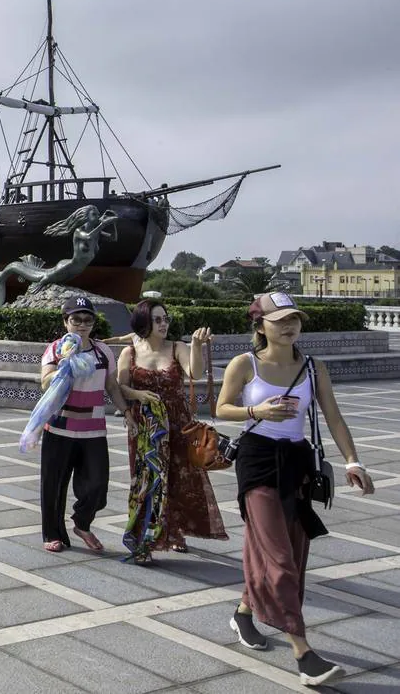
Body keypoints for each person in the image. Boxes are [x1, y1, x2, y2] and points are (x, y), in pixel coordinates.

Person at [215, 292, 375, 687]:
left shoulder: (313, 368)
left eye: (294, 319)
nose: (289, 326)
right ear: (259, 326)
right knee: (278, 559)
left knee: (288, 550)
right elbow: (220, 407)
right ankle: (303, 653)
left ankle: (244, 613)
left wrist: (353, 461)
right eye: (279, 320)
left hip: (298, 463)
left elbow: (334, 417)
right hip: (257, 462)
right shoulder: (245, 363)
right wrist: (257, 411)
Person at [117, 300, 225, 564]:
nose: (164, 324)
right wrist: (138, 395)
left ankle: (174, 533)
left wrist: (197, 345)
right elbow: (120, 387)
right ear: (144, 322)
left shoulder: (178, 347)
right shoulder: (129, 353)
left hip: (177, 425)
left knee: (178, 480)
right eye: (157, 320)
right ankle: (144, 540)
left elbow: (195, 373)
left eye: (166, 319)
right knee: (146, 483)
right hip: (147, 427)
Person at [38, 294, 138, 553]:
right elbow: (45, 383)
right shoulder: (55, 349)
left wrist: (126, 411)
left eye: (87, 320)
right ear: (66, 322)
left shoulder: (102, 351)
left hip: (93, 430)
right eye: (76, 319)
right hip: (59, 428)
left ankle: (82, 522)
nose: (82, 325)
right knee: (54, 485)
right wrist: (64, 364)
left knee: (97, 484)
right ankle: (53, 533)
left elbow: (112, 386)